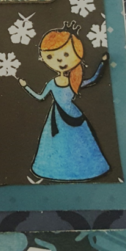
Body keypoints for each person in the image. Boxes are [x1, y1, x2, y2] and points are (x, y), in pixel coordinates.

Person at [19, 21, 109, 181]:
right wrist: (26, 87)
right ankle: (55, 170)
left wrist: (102, 63)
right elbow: (40, 97)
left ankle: (85, 170)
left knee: (80, 142)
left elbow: (94, 79)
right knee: (55, 144)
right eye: (50, 56)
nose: (60, 60)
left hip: (74, 116)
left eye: (66, 54)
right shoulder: (52, 83)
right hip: (57, 119)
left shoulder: (75, 81)